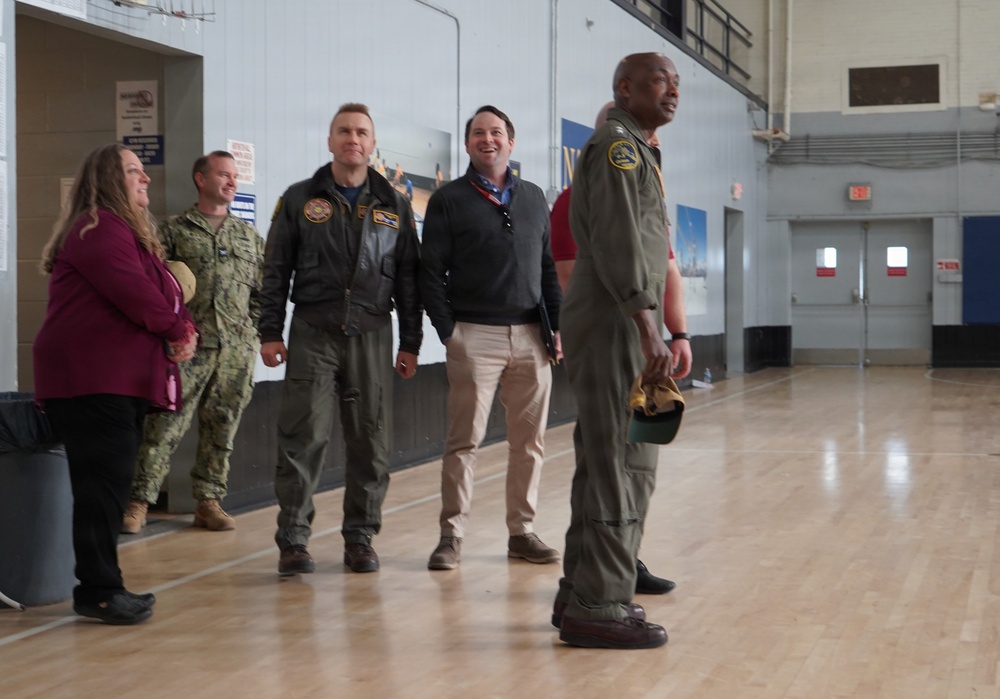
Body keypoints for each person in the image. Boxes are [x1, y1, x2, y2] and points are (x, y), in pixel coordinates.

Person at [33, 144, 197, 625]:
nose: (145, 178)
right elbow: (135, 293)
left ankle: (102, 586)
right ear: (108, 180)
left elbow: (163, 292)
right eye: (133, 171)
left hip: (109, 381)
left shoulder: (119, 230)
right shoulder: (99, 228)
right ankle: (99, 591)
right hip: (91, 381)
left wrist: (184, 326)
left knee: (105, 486)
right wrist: (177, 330)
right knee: (100, 489)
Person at [260, 103, 422, 576]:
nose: (353, 139)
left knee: (370, 440)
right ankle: (293, 540)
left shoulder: (395, 204)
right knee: (303, 436)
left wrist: (410, 342)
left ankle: (360, 538)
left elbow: (409, 281)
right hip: (313, 330)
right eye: (344, 131)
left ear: (373, 144)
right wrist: (269, 331)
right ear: (330, 141)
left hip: (372, 332)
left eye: (361, 133)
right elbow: (275, 270)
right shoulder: (299, 199)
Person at [553, 52, 680, 649]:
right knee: (621, 460)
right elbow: (618, 238)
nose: (672, 89)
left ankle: (582, 588)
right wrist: (647, 324)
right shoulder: (617, 146)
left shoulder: (639, 149)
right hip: (617, 320)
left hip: (626, 318)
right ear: (625, 89)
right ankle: (599, 605)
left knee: (614, 455)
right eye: (660, 80)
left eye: (676, 81)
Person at [419, 105, 563, 570]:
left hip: (532, 337)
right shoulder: (448, 199)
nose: (488, 139)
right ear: (467, 144)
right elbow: (429, 272)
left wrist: (555, 327)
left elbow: (546, 268)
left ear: (510, 142)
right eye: (479, 133)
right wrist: (450, 333)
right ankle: (451, 536)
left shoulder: (534, 197)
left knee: (530, 443)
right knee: (464, 442)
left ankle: (522, 533)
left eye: (496, 132)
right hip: (473, 335)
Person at [124, 151, 265, 534]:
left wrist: (251, 333)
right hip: (186, 349)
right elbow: (153, 287)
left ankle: (208, 502)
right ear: (201, 179)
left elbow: (262, 295)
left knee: (222, 430)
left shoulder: (249, 237)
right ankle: (138, 502)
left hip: (235, 352)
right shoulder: (173, 231)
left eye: (235, 176)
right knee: (163, 428)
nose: (232, 181)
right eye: (223, 174)